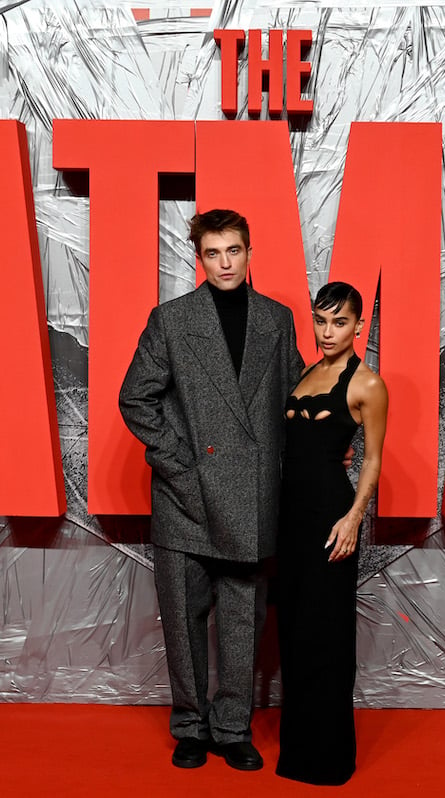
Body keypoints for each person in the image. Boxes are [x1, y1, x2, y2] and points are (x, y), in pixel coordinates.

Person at [119, 209, 305, 771]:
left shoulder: (277, 320)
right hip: (186, 496)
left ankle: (232, 728)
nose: (224, 263)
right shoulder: (172, 320)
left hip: (251, 496)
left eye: (234, 251)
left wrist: (338, 433)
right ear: (198, 258)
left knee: (243, 617)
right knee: (183, 616)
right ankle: (190, 726)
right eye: (212, 253)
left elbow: (294, 397)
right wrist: (179, 466)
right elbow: (135, 398)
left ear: (250, 253)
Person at [275, 281, 389, 786]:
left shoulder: (367, 384)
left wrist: (354, 517)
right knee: (294, 631)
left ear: (358, 326)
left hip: (330, 517)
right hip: (290, 518)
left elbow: (372, 459)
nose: (328, 331)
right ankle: (297, 747)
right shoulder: (304, 373)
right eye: (321, 321)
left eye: (339, 322)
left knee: (326, 632)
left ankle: (328, 758)